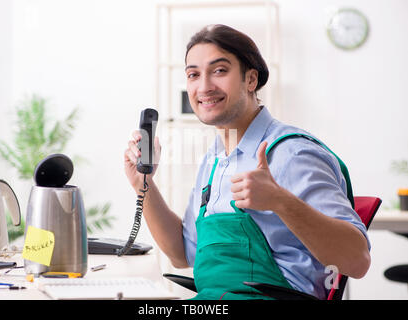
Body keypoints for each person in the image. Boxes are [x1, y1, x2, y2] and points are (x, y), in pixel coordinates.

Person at [124, 24, 370, 300]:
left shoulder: (292, 153)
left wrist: (280, 200)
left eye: (219, 71)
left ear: (251, 79)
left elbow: (357, 260)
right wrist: (143, 184)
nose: (204, 86)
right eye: (193, 74)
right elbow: (182, 254)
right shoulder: (214, 160)